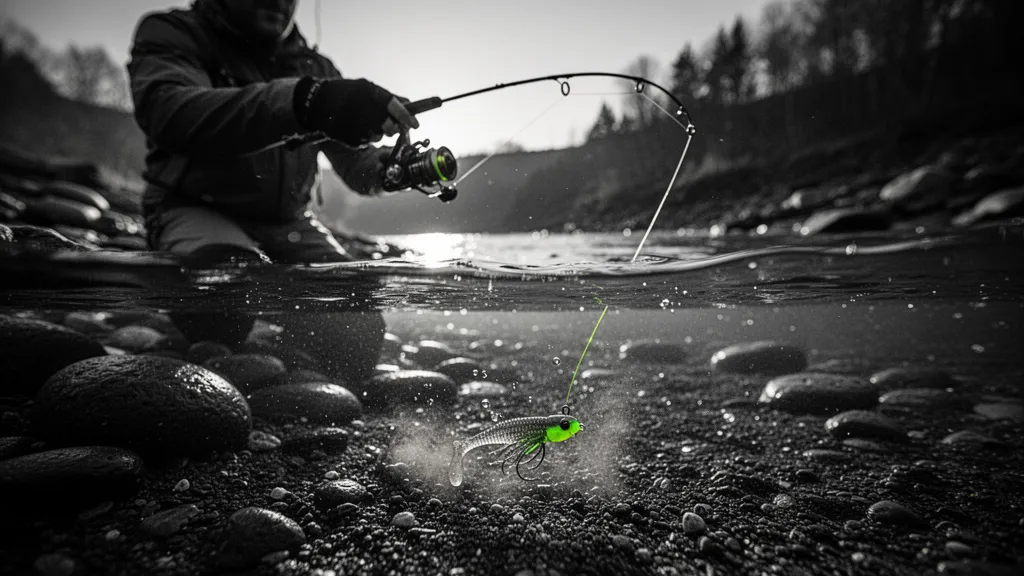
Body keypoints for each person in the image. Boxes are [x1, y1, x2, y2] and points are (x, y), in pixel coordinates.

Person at [128, 0, 418, 263]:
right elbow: (171, 116)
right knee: (228, 296)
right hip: (191, 206)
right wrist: (304, 101)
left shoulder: (317, 68)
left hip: (289, 222)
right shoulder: (173, 31)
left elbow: (354, 163)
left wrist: (388, 170)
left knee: (359, 315)